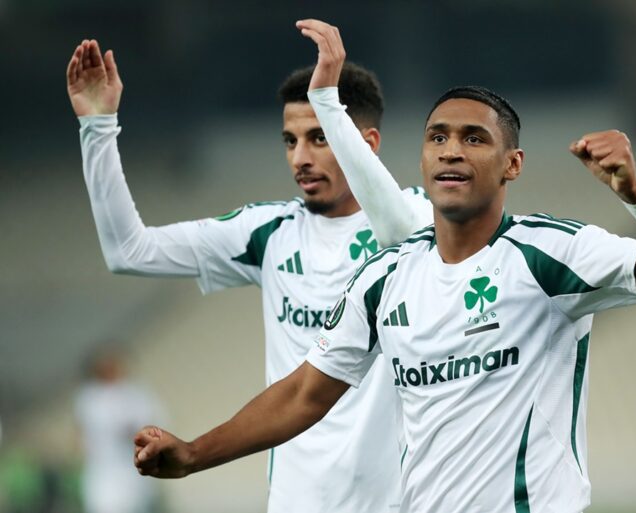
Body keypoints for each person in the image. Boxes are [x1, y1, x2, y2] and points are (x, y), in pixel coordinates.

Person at [132, 74, 636, 511]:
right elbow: (304, 394)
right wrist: (193, 454)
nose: (451, 150)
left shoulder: (549, 253)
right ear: (422, 159)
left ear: (512, 164)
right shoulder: (385, 277)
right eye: (438, 137)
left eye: (473, 138)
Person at [66, 19, 432, 513]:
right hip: (294, 503)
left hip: (396, 503)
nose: (300, 158)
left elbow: (408, 229)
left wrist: (328, 98)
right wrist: (97, 128)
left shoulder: (417, 223)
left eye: (319, 137)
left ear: (364, 144)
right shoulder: (268, 232)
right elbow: (128, 252)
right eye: (290, 141)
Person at [75, 348, 165, 513]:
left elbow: (154, 424)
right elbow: (85, 431)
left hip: (133, 468)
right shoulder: (90, 397)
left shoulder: (136, 394)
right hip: (103, 470)